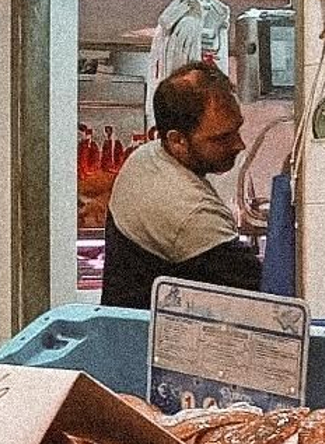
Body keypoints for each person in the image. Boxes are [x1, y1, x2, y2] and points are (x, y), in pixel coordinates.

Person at [101, 65, 262, 308]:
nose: (239, 145)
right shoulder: (192, 214)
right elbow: (264, 300)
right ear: (177, 140)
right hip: (146, 341)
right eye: (221, 138)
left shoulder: (145, 156)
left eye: (237, 129)